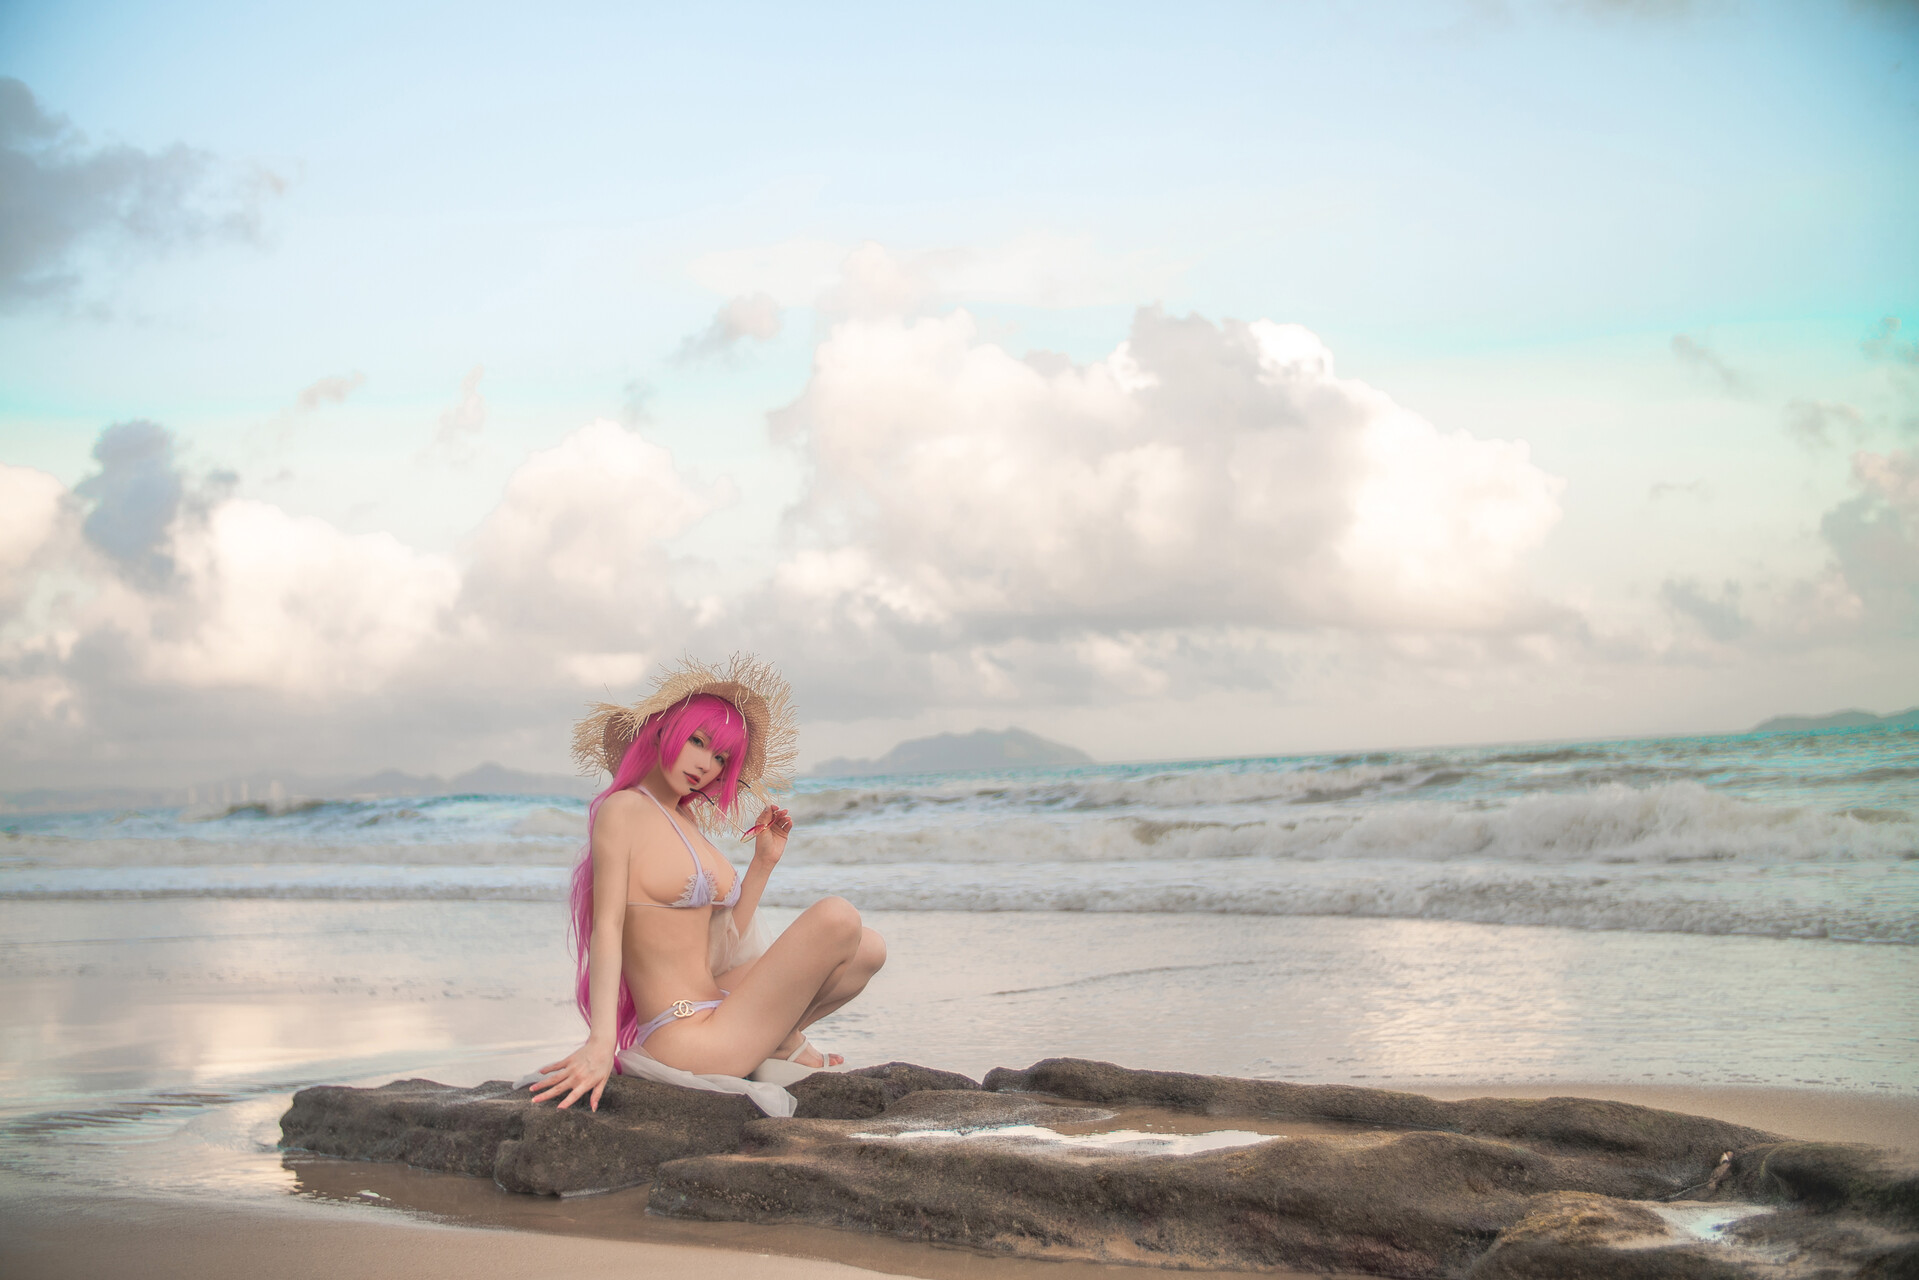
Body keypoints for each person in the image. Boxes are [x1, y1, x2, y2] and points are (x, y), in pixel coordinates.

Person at [529, 655, 885, 1113]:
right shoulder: (623, 810)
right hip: (684, 1036)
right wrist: (600, 1044)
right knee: (836, 916)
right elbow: (607, 927)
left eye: (720, 758)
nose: (706, 765)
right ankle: (782, 1044)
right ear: (663, 731)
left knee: (868, 948)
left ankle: (778, 1044)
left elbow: (723, 947)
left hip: (718, 1008)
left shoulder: (686, 819)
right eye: (698, 741)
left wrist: (763, 863)